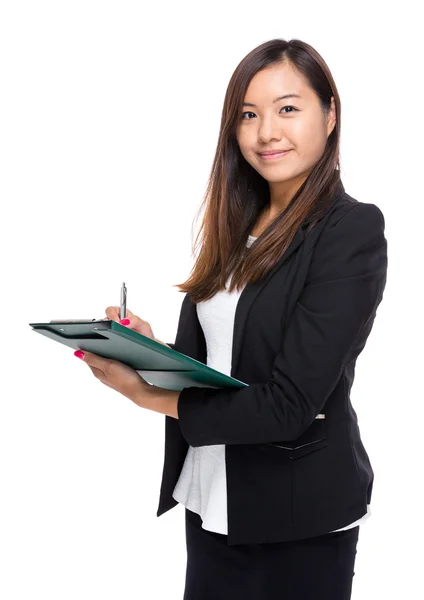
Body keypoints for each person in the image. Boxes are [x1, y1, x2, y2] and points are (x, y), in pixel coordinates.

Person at [77, 38, 388, 599]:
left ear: (330, 114)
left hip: (297, 521)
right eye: (249, 115)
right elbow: (219, 368)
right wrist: (150, 356)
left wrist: (145, 396)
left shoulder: (350, 232)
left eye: (288, 108)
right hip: (211, 502)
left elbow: (289, 406)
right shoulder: (236, 228)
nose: (267, 131)